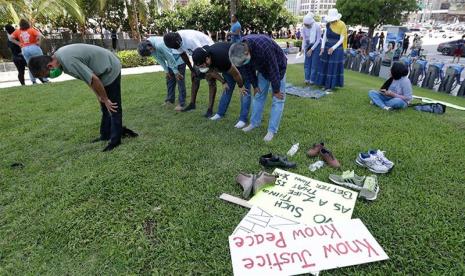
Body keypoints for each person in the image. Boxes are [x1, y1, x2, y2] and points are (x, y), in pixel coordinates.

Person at [28, 44, 138, 152]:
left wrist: (105, 99)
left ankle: (115, 140)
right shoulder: (59, 58)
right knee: (105, 106)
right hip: (99, 70)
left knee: (113, 106)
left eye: (46, 75)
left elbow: (94, 79)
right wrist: (99, 96)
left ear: (50, 66)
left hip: (110, 67)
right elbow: (88, 79)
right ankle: (105, 135)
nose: (49, 77)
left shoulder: (68, 61)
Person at [229, 34, 287, 142]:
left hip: (278, 67)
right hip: (262, 69)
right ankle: (254, 123)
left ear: (247, 53)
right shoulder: (240, 49)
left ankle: (271, 130)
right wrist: (255, 85)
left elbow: (273, 68)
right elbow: (247, 69)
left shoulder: (264, 47)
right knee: (258, 95)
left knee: (278, 100)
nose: (243, 63)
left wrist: (276, 90)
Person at [192, 42, 251, 127]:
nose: (203, 67)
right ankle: (220, 113)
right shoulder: (203, 56)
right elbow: (212, 71)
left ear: (207, 58)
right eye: (201, 66)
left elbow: (236, 74)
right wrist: (223, 82)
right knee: (227, 89)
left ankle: (243, 119)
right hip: (227, 65)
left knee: (244, 92)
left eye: (203, 65)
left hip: (241, 64)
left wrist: (241, 86)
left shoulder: (220, 58)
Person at [163, 30, 215, 117]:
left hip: (208, 53)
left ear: (179, 40)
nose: (177, 47)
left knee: (211, 80)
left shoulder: (190, 39)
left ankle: (210, 109)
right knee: (194, 78)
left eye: (177, 46)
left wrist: (206, 68)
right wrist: (192, 69)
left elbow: (203, 54)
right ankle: (192, 104)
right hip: (197, 54)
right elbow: (183, 55)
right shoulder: (174, 41)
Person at [137, 38, 186, 111]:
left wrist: (176, 72)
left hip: (178, 59)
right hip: (170, 62)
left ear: (150, 46)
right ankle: (170, 100)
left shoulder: (160, 45)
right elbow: (159, 59)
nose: (151, 53)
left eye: (150, 51)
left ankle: (181, 103)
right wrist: (166, 71)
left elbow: (170, 57)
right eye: (149, 53)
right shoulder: (148, 46)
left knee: (180, 81)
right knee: (169, 80)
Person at [8, 19, 48, 84]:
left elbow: (10, 38)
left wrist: (18, 43)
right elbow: (40, 35)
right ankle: (45, 79)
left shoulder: (18, 31)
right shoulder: (31, 30)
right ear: (27, 24)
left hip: (24, 49)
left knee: (30, 65)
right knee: (41, 63)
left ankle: (33, 80)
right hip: (34, 47)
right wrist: (38, 41)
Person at [316, 8, 347, 92]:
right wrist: (322, 47)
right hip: (327, 47)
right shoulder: (328, 24)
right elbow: (325, 36)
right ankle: (324, 84)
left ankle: (330, 86)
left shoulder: (342, 24)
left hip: (337, 49)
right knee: (325, 66)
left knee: (332, 67)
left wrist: (333, 48)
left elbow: (342, 39)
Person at [301, 12, 321, 85]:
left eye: (307, 25)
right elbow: (304, 39)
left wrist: (311, 49)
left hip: (316, 45)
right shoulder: (304, 27)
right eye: (305, 24)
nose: (306, 26)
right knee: (307, 63)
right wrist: (303, 48)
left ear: (311, 23)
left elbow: (318, 40)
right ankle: (307, 79)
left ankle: (312, 80)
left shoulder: (317, 27)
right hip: (308, 45)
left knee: (314, 63)